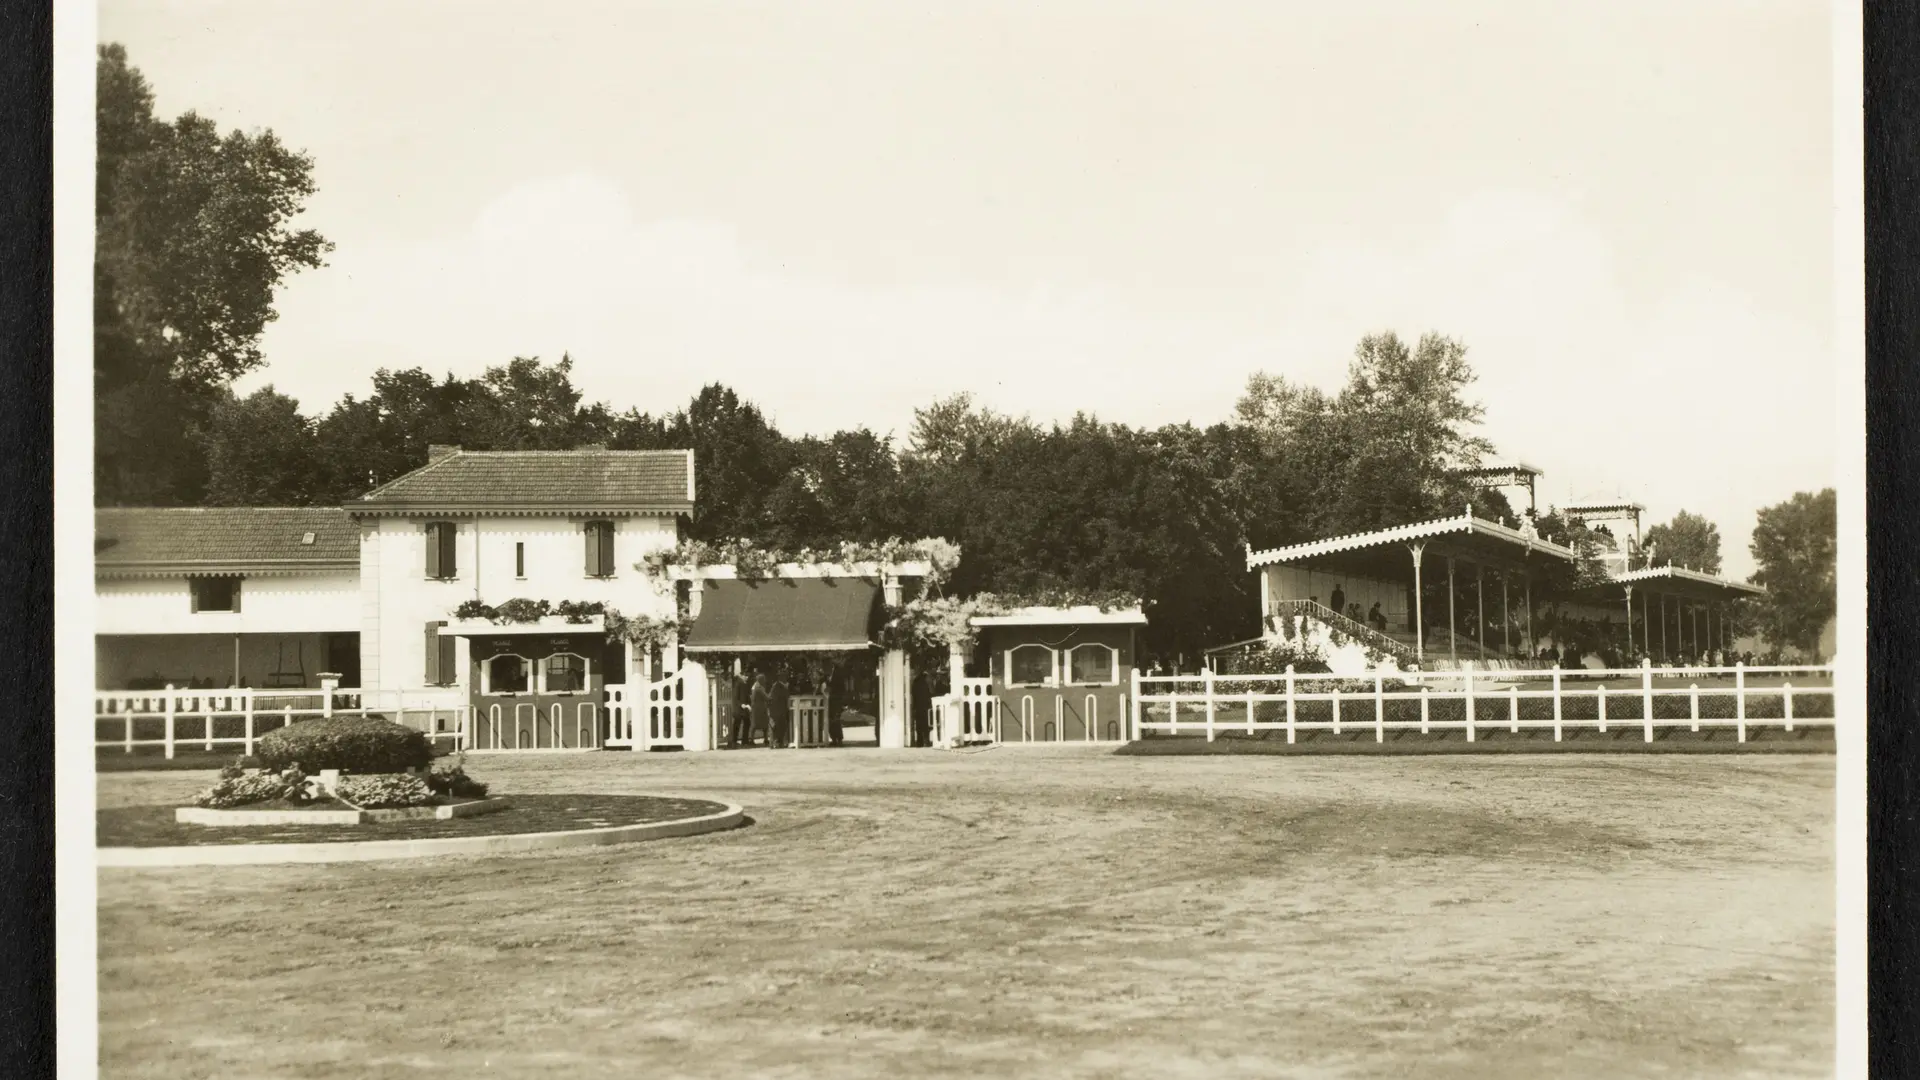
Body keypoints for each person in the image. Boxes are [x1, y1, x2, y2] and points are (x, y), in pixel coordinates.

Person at [769, 666, 791, 748]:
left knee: (777, 727)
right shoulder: (779, 686)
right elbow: (786, 697)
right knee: (778, 727)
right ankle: (776, 743)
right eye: (784, 676)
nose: (785, 678)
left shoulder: (777, 685)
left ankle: (776, 743)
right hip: (778, 711)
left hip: (777, 710)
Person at [749, 671, 771, 748]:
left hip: (756, 708)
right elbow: (766, 697)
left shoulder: (755, 686)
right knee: (761, 725)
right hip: (760, 709)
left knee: (755, 725)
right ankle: (763, 739)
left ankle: (753, 739)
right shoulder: (759, 688)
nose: (764, 680)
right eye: (763, 679)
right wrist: (771, 696)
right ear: (760, 680)